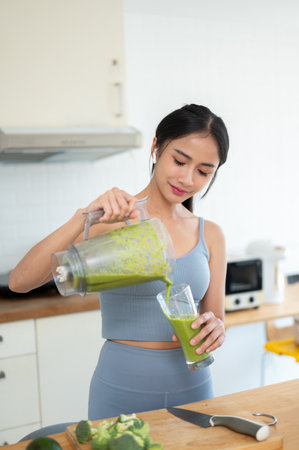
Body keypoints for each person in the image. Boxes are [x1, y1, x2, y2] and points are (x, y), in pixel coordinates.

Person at [10, 104, 229, 424]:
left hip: (193, 389)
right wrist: (83, 217)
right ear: (156, 148)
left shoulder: (210, 234)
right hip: (121, 388)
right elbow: (20, 281)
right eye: (180, 161)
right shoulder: (113, 219)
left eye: (203, 171)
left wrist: (217, 329)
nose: (187, 178)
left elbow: (215, 318)